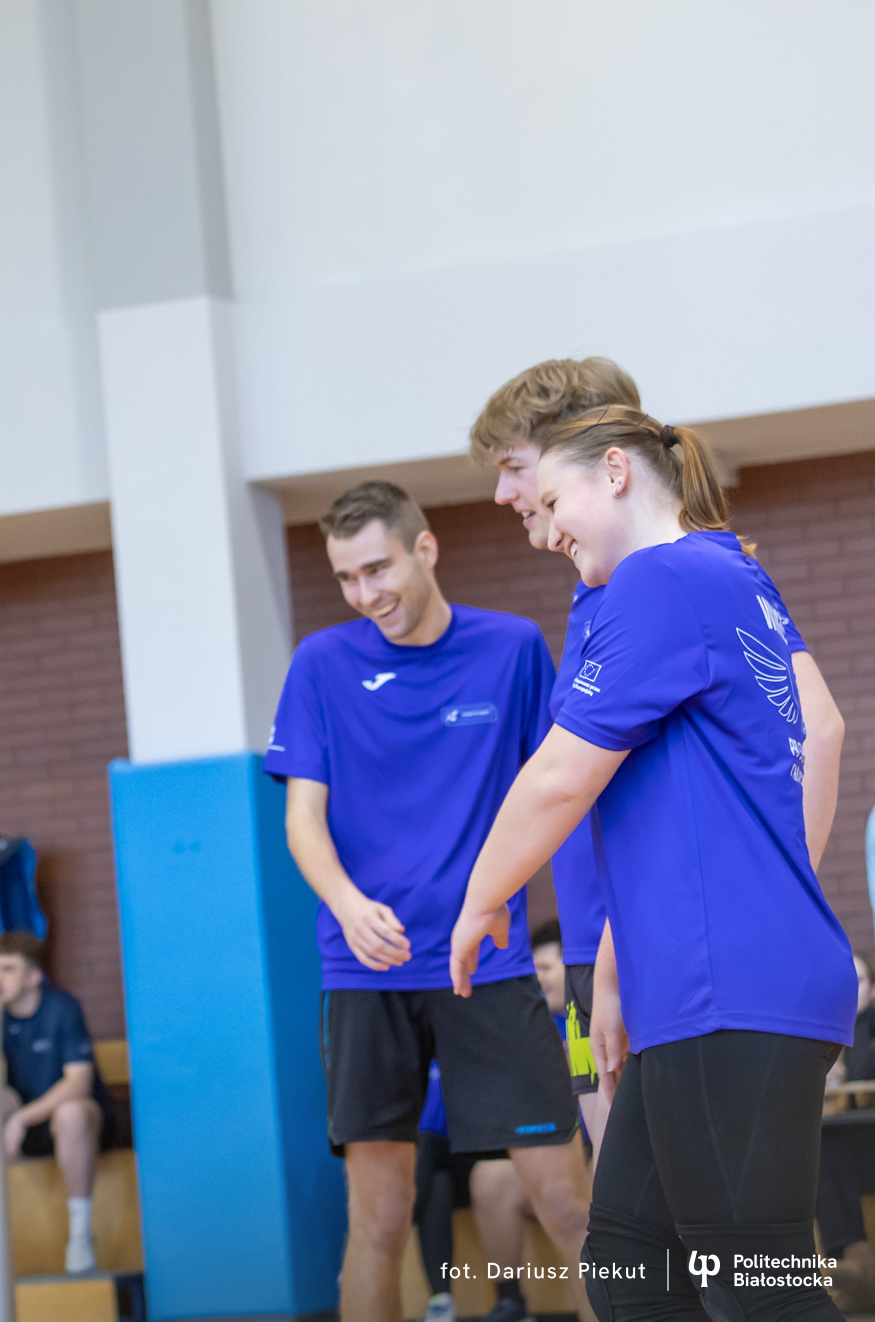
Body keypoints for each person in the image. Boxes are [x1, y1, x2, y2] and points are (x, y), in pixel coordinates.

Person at [450, 406, 855, 1322]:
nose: (547, 527)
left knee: (758, 1288)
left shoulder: (658, 577)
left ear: (615, 471)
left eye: (552, 499)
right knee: (631, 1265)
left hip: (726, 982)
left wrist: (480, 899)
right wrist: (617, 972)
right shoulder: (728, 572)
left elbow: (560, 775)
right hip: (700, 978)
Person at [265, 480, 591, 1322]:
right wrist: (345, 903)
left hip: (489, 964)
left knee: (567, 1202)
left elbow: (555, 793)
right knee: (378, 1216)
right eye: (345, 578)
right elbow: (301, 820)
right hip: (365, 972)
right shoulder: (319, 665)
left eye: (376, 568)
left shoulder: (511, 648)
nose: (363, 593)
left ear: (424, 549)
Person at [0, 932, 107, 1276]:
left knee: (71, 1113)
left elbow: (78, 1083)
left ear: (33, 976)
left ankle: (80, 1235)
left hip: (74, 1126)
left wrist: (22, 1118)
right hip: (22, 1133)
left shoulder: (62, 1008)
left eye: (8, 969)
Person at [413, 1063, 536, 1322]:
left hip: (497, 1150)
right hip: (453, 1163)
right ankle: (441, 1300)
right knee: (436, 1181)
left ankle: (397, 1226)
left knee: (428, 1148)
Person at [818, 954, 875, 1311]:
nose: (852, 991)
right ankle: (855, 1258)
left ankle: (859, 1273)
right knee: (823, 1148)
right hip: (849, 1147)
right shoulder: (822, 1036)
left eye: (861, 981)